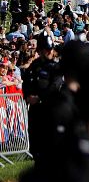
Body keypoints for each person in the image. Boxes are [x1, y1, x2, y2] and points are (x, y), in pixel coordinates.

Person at [23, 33, 63, 162]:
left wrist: (40, 98)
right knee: (36, 148)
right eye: (46, 50)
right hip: (35, 111)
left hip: (49, 110)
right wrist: (27, 96)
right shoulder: (34, 66)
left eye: (50, 49)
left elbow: (55, 86)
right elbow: (26, 83)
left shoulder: (55, 67)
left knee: (50, 147)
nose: (49, 52)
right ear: (40, 51)